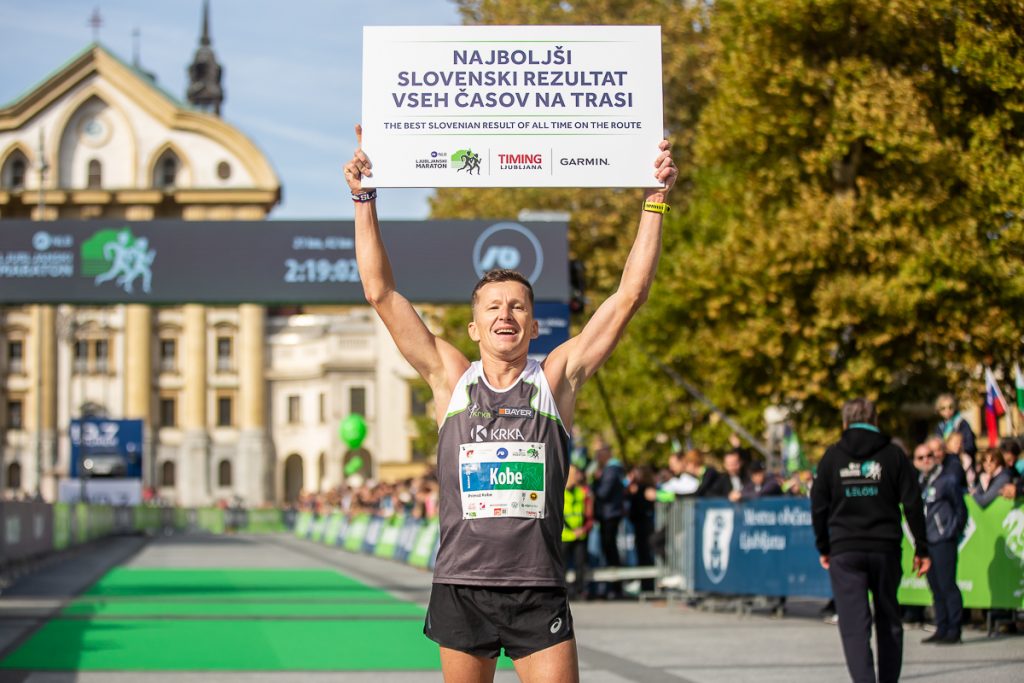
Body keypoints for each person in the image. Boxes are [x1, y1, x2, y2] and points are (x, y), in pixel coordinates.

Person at [344, 125, 676, 682]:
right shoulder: (452, 378)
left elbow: (628, 298)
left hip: (536, 588)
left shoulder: (555, 378)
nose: (506, 314)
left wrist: (655, 200)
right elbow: (380, 293)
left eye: (518, 306)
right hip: (462, 586)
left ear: (533, 323)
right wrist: (363, 199)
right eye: (494, 306)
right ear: (474, 327)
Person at [811, 398, 930, 683]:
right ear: (875, 420)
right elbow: (913, 504)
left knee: (854, 626)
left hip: (845, 549)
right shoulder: (894, 455)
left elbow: (818, 506)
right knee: (889, 619)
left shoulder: (832, 457)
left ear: (844, 423)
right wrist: (922, 548)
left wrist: (824, 546)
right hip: (885, 548)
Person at [919, 427, 967, 645]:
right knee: (935, 586)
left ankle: (954, 629)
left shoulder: (947, 479)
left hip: (943, 539)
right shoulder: (922, 481)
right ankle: (942, 625)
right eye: (925, 455)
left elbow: (960, 508)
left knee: (947, 584)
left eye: (934, 453)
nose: (930, 458)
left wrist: (951, 531)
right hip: (926, 540)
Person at [592, 441, 627, 599]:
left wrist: (594, 484)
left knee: (610, 548)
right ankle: (612, 587)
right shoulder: (613, 469)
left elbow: (603, 493)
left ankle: (615, 587)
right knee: (609, 549)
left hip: (610, 514)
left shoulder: (611, 470)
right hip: (609, 513)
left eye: (598, 455)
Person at [562, 465, 594, 601]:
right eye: (573, 474)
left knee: (580, 565)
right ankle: (563, 592)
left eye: (576, 473)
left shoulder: (582, 492)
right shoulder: (559, 492)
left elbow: (588, 515)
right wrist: (571, 530)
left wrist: (583, 528)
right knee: (561, 566)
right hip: (564, 535)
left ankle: (580, 591)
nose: (576, 476)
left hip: (580, 535)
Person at [627, 464, 658, 592]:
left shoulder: (645, 488)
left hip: (645, 525)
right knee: (641, 554)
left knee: (646, 554)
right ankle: (645, 584)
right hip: (639, 524)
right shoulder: (636, 488)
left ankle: (648, 585)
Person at [935, 393, 977, 460]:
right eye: (943, 408)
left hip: (960, 459)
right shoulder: (940, 426)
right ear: (938, 410)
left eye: (950, 407)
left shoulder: (962, 423)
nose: (947, 410)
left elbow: (969, 445)